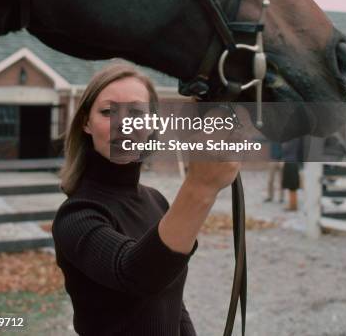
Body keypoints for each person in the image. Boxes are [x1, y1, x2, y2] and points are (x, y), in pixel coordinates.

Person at [53, 63, 240, 336]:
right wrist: (199, 188)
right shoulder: (75, 217)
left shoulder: (157, 201)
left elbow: (172, 299)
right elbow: (136, 274)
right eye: (108, 111)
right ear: (86, 123)